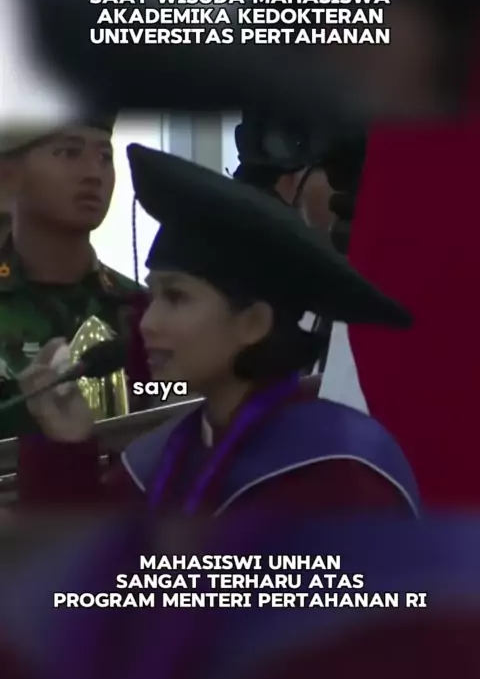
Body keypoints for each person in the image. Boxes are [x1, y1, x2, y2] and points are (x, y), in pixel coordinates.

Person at [16, 144, 418, 514]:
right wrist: (66, 445)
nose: (148, 323)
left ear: (253, 323)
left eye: (176, 297)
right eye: (152, 297)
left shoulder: (338, 474)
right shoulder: (161, 461)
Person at [0, 118, 150, 439]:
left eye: (105, 157)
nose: (94, 173)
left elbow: (177, 391)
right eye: (69, 153)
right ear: (8, 175)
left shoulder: (143, 309)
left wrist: (153, 387)